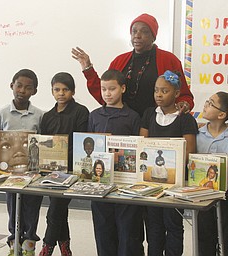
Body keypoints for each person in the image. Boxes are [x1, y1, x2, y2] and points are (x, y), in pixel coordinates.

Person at [72, 13, 194, 117]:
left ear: (153, 36)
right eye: (134, 31)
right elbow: (104, 95)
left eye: (144, 31)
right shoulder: (119, 61)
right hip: (122, 124)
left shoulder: (169, 60)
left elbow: (184, 95)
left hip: (156, 125)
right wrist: (88, 69)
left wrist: (184, 104)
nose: (137, 35)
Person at [140, 70, 198, 255]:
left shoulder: (185, 119)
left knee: (173, 224)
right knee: (153, 224)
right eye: (156, 90)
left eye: (164, 91)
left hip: (175, 185)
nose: (158, 94)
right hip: (150, 183)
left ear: (176, 94)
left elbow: (190, 151)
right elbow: (142, 146)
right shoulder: (149, 114)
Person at [88, 69, 144, 255]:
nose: (107, 93)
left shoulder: (133, 117)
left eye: (112, 89)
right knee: (103, 230)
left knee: (128, 231)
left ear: (123, 88)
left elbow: (139, 149)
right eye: (104, 89)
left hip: (125, 184)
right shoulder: (94, 115)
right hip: (100, 182)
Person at [0, 69, 44, 256]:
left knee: (32, 208)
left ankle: (29, 245)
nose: (22, 90)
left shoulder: (39, 115)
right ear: (11, 85)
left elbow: (44, 143)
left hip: (33, 173)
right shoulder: (2, 113)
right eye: (19, 85)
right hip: (10, 174)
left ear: (34, 91)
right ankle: (14, 244)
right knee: (13, 208)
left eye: (28, 87)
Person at [38, 72, 89, 256]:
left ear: (73, 91)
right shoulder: (48, 116)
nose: (61, 93)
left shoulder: (81, 111)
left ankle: (47, 246)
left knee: (55, 211)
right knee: (59, 210)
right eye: (57, 89)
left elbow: (81, 142)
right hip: (50, 171)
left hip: (71, 171)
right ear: (52, 92)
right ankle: (65, 247)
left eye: (65, 89)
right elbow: (44, 142)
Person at [196, 92, 228, 256]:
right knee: (204, 235)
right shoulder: (197, 134)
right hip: (203, 195)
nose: (205, 105)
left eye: (211, 103)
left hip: (225, 195)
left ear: (222, 114)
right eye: (207, 101)